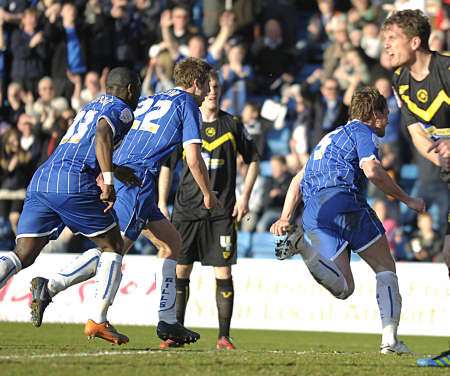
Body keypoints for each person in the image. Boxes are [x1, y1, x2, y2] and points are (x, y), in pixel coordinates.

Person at [30, 58, 220, 346]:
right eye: (206, 84)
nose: (208, 91)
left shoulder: (151, 99)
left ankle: (168, 321)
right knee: (114, 248)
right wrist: (208, 193)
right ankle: (52, 287)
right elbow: (193, 158)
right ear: (196, 83)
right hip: (137, 179)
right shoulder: (187, 105)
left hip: (128, 173)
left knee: (171, 244)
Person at [270, 87, 425, 354]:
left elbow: (298, 179)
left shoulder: (328, 138)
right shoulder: (362, 132)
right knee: (385, 265)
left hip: (313, 213)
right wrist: (406, 199)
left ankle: (303, 247)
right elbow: (372, 169)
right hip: (342, 200)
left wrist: (285, 217)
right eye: (385, 114)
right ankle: (390, 341)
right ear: (374, 114)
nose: (387, 120)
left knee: (344, 288)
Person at [0, 67, 141, 343]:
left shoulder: (90, 105)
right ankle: (99, 321)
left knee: (23, 254)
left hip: (43, 178)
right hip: (73, 181)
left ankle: (49, 289)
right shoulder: (122, 109)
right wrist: (110, 182)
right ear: (130, 90)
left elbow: (84, 145)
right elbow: (102, 135)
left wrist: (117, 169)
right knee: (113, 246)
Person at [158, 70, 260, 350]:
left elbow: (253, 161)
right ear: (201, 88)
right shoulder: (185, 121)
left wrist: (244, 197)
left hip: (221, 212)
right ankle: (173, 333)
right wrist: (161, 201)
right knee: (181, 271)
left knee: (224, 274)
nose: (213, 91)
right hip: (186, 210)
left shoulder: (232, 124)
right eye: (209, 86)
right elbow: (167, 165)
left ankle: (224, 336)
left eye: (217, 86)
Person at [382, 10, 450, 366]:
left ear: (415, 41)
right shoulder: (401, 82)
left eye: (391, 38)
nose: (385, 46)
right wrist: (440, 159)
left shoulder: (447, 70)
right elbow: (416, 132)